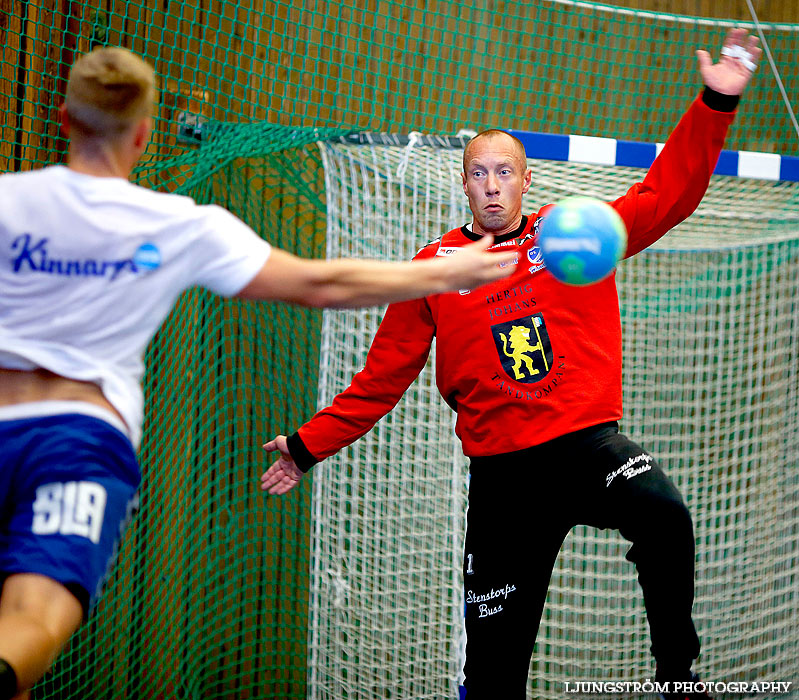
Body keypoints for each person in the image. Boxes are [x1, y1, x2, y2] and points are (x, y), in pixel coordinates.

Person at [0, 46, 517, 700]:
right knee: (30, 622)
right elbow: (320, 282)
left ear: (63, 118)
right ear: (144, 133)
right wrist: (443, 272)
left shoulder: (7, 202)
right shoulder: (177, 225)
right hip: (76, 442)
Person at [261, 29, 761, 700]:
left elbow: (667, 193)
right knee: (493, 678)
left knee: (664, 514)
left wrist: (714, 101)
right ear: (463, 183)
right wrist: (305, 446)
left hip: (588, 450)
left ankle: (678, 677)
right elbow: (380, 379)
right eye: (478, 173)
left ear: (527, 180)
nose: (491, 186)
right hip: (503, 482)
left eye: (504, 172)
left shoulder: (573, 233)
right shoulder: (432, 271)